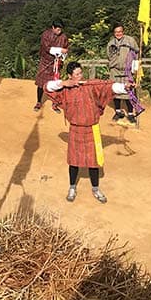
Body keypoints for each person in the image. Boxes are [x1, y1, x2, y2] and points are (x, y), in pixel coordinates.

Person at [45, 61, 132, 204]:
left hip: (92, 128)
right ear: (70, 76)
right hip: (75, 129)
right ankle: (72, 187)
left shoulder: (90, 85)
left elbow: (107, 86)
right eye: (77, 74)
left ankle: (96, 189)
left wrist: (124, 87)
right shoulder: (65, 89)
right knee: (74, 162)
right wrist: (63, 83)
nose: (80, 76)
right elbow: (47, 87)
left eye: (81, 73)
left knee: (94, 162)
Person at [106, 24, 140, 125]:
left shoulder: (130, 40)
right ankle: (118, 112)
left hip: (127, 70)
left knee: (128, 92)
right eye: (116, 32)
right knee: (115, 92)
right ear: (114, 33)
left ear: (123, 32)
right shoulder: (111, 43)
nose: (118, 34)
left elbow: (137, 52)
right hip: (115, 70)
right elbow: (108, 55)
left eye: (120, 32)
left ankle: (130, 113)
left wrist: (135, 65)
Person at [34, 19, 69, 113]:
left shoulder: (63, 37)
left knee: (56, 84)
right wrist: (60, 50)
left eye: (60, 29)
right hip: (46, 61)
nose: (59, 31)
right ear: (53, 27)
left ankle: (55, 104)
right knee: (41, 83)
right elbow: (46, 48)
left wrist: (63, 55)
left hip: (57, 63)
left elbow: (66, 48)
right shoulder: (45, 35)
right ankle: (38, 101)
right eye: (57, 29)